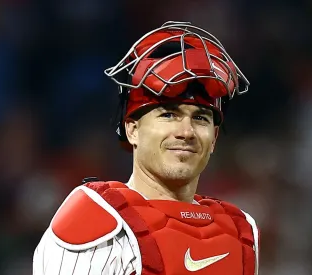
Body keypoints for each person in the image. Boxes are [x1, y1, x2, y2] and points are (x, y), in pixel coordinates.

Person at [33, 21, 259, 275]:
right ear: (132, 129)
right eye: (168, 115)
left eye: (200, 118)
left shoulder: (240, 231)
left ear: (214, 138)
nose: (186, 132)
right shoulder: (96, 223)